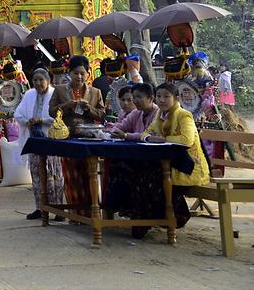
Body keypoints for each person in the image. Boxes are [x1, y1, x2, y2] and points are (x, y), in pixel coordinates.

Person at [132, 82, 210, 239]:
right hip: (169, 163)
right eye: (159, 96)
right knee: (139, 175)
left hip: (188, 165)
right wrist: (151, 138)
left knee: (151, 178)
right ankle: (143, 222)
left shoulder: (184, 115)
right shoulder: (159, 115)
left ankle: (176, 215)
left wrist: (163, 139)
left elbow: (186, 140)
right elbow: (144, 134)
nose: (162, 100)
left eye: (166, 96)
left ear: (176, 98)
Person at [48, 55, 105, 219]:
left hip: (89, 139)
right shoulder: (59, 90)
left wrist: (89, 109)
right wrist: (66, 106)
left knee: (90, 174)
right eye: (75, 73)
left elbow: (101, 115)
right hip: (68, 138)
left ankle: (91, 212)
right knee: (71, 175)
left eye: (82, 73)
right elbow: (51, 112)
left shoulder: (95, 92)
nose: (79, 77)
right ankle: (75, 214)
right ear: (69, 73)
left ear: (88, 73)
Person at [13, 68, 65, 221]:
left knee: (54, 174)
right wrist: (27, 121)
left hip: (51, 139)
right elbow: (18, 114)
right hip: (34, 140)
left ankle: (58, 209)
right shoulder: (29, 95)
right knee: (36, 174)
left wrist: (42, 121)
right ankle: (40, 208)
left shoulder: (55, 94)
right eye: (35, 80)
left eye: (41, 79)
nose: (38, 83)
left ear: (48, 81)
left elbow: (60, 116)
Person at [103, 83, 159, 217]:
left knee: (124, 167)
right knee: (115, 165)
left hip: (154, 159)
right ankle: (115, 207)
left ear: (151, 98)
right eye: (134, 97)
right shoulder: (136, 113)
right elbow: (122, 126)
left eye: (139, 97)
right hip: (137, 156)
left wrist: (127, 136)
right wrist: (110, 130)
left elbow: (150, 136)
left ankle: (130, 207)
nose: (135, 101)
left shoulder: (158, 114)